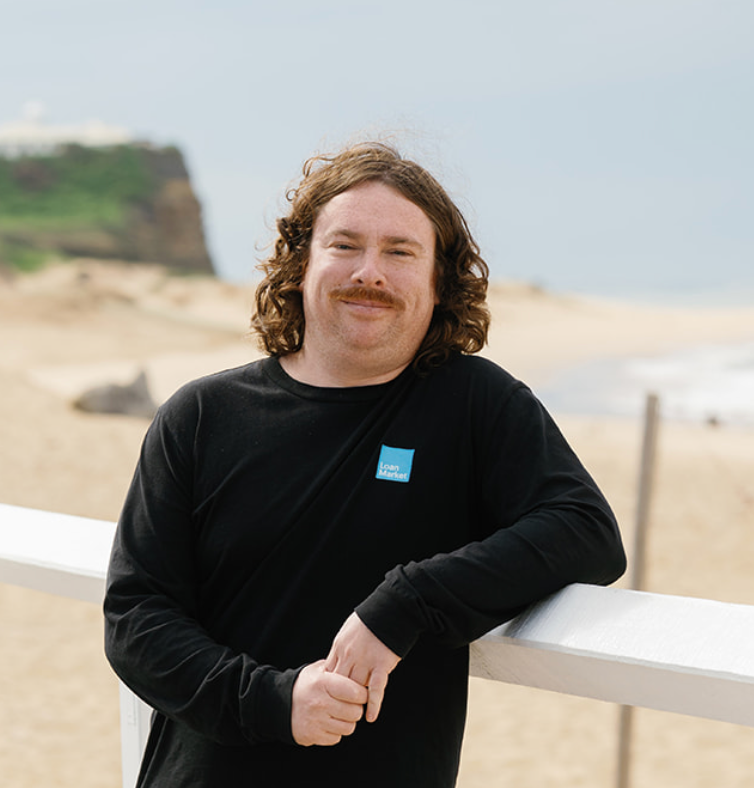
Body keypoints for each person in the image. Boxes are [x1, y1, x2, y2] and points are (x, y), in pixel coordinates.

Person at [104, 141, 626, 788]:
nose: (369, 272)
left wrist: (406, 602)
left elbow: (585, 534)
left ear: (439, 282)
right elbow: (137, 616)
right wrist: (274, 701)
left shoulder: (472, 406)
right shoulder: (201, 416)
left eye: (400, 252)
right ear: (301, 264)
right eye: (345, 245)